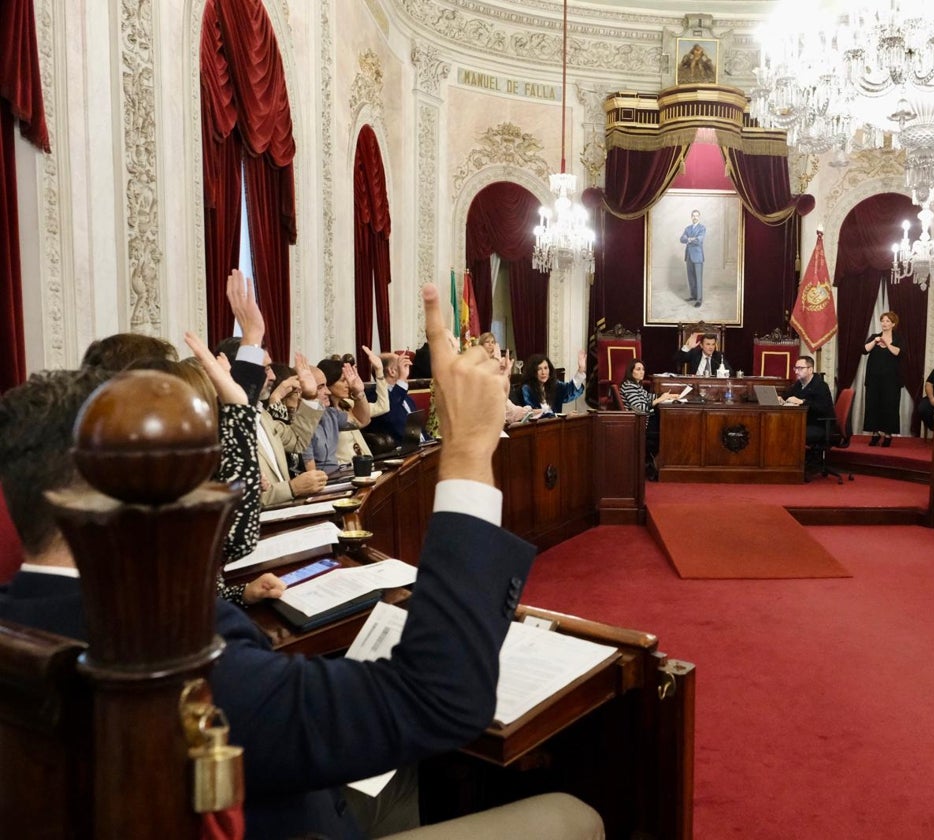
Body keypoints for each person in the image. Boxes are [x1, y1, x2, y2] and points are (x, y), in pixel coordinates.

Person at [0, 284, 604, 840]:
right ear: (119, 482)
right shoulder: (171, 655)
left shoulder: (23, 625)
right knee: (575, 818)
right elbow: (440, 697)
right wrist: (470, 449)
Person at [619, 358, 680, 473]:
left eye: (643, 369)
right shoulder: (629, 386)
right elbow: (639, 408)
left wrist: (667, 396)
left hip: (645, 418)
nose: (642, 372)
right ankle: (649, 464)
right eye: (638, 369)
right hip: (639, 422)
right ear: (631, 372)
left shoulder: (636, 385)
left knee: (668, 425)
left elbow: (648, 397)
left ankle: (650, 463)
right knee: (667, 431)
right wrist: (660, 399)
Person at [862, 311, 903, 447]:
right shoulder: (875, 337)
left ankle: (888, 434)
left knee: (889, 406)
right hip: (874, 378)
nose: (884, 323)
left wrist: (887, 343)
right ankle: (875, 434)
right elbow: (864, 350)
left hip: (892, 380)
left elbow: (898, 352)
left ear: (893, 324)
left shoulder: (898, 338)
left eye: (887, 321)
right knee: (873, 405)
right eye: (883, 321)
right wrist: (875, 341)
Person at [782, 356, 834, 445]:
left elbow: (823, 408)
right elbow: (786, 396)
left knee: (789, 433)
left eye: (800, 368)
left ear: (810, 370)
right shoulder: (798, 384)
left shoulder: (821, 386)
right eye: (795, 368)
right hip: (802, 422)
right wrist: (781, 399)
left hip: (818, 424)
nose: (796, 371)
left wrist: (802, 402)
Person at [521, 350, 586, 415]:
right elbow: (533, 414)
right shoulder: (527, 389)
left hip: (557, 424)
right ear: (533, 372)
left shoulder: (555, 385)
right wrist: (564, 416)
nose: (543, 372)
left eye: (546, 368)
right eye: (539, 369)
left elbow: (570, 391)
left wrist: (581, 370)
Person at [679, 210, 706, 307]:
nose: (695, 217)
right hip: (688, 256)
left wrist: (688, 239)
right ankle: (693, 296)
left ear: (699, 217)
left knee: (698, 278)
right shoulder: (687, 228)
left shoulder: (702, 228)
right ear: (691, 217)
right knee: (691, 278)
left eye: (697, 216)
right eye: (693, 216)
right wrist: (691, 239)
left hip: (698, 256)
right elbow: (681, 239)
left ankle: (699, 300)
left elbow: (699, 240)